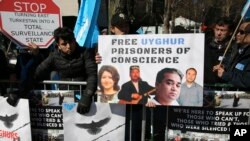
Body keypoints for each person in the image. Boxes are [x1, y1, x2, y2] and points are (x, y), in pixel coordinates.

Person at [7, 27, 97, 115]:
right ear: (58, 45)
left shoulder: (86, 52)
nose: (69, 46)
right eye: (64, 44)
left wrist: (87, 96)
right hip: (64, 98)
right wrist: (19, 93)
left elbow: (92, 75)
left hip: (84, 95)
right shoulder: (54, 56)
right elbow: (36, 74)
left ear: (74, 40)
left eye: (71, 42)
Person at [213, 21, 250, 90]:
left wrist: (225, 75)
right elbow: (234, 69)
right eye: (237, 31)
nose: (238, 34)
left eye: (242, 32)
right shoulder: (237, 50)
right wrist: (224, 67)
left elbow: (247, 81)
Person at [204, 17, 235, 86]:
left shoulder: (234, 48)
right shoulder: (205, 44)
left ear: (230, 32)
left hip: (224, 87)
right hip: (205, 85)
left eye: (223, 30)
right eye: (217, 29)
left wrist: (224, 66)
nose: (218, 33)